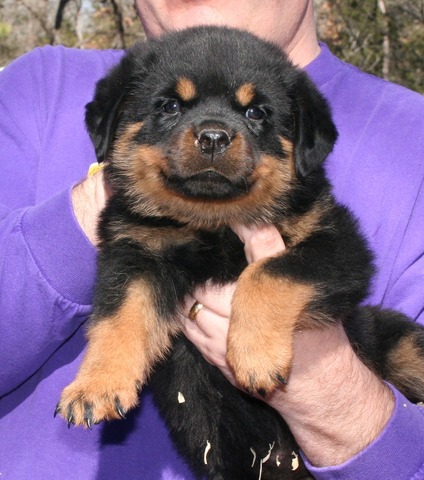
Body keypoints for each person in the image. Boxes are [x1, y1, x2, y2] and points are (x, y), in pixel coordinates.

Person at [0, 1, 423, 479]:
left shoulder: (411, 143)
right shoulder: (35, 87)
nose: (213, 132)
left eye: (256, 114)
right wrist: (92, 212)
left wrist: (331, 394)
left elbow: (338, 260)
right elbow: (136, 282)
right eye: (169, 107)